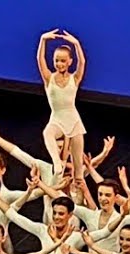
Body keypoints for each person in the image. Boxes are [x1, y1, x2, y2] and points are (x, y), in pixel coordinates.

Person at [37, 29, 88, 191]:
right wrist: (43, 40)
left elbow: (83, 63)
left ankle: (77, 198)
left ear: (69, 62)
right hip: (57, 119)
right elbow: (40, 59)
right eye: (57, 60)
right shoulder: (48, 78)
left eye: (63, 61)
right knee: (47, 133)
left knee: (78, 172)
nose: (59, 64)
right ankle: (57, 164)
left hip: (73, 121)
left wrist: (76, 43)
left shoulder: (75, 78)